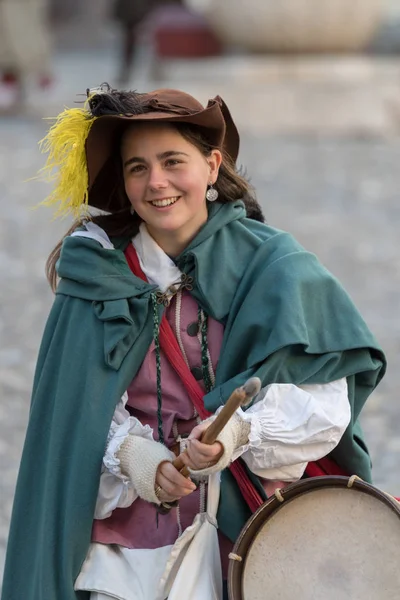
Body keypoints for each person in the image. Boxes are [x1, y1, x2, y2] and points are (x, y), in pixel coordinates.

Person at [1, 84, 386, 600]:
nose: (156, 182)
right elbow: (74, 415)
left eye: (171, 161)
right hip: (127, 553)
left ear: (211, 166)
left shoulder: (276, 269)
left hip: (251, 535)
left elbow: (326, 407)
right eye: (137, 167)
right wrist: (137, 458)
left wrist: (238, 434)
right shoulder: (96, 277)